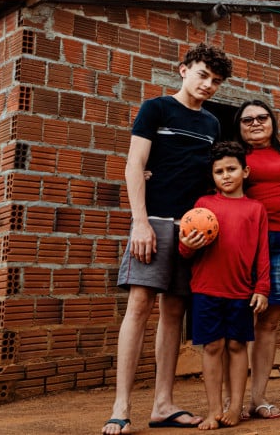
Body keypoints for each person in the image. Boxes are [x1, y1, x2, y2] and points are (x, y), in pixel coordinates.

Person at [102, 43, 233, 435]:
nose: (209, 85)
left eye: (216, 81)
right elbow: (134, 165)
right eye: (203, 75)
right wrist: (139, 222)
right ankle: (121, 407)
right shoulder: (156, 108)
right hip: (154, 222)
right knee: (140, 305)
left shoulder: (212, 124)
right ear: (183, 70)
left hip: (191, 228)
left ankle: (163, 403)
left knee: (174, 312)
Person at [179, 141, 270, 430]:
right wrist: (186, 246)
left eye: (231, 169)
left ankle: (235, 406)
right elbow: (186, 250)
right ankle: (213, 410)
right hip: (206, 288)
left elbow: (262, 252)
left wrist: (262, 287)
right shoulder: (203, 206)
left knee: (237, 345)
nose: (226, 175)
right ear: (213, 176)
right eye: (219, 171)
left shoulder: (256, 209)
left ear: (245, 171)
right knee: (213, 346)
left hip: (241, 290)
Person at [231, 99, 280, 420]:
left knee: (270, 323)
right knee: (240, 320)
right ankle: (232, 400)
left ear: (273, 122)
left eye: (262, 117)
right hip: (247, 241)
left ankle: (258, 398)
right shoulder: (234, 158)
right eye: (248, 120)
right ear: (239, 127)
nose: (256, 123)